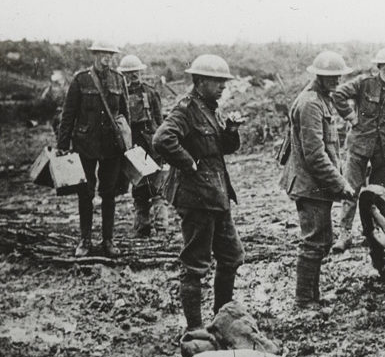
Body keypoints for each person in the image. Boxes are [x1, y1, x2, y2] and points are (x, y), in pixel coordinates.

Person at [153, 54, 245, 331]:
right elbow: (162, 139)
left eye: (224, 82)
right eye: (217, 82)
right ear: (200, 81)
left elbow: (222, 148)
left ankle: (221, 318)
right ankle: (194, 329)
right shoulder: (186, 109)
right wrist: (188, 162)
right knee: (195, 264)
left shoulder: (210, 108)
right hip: (196, 197)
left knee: (231, 256)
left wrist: (230, 130)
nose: (223, 87)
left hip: (216, 194)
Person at [279, 51, 356, 308]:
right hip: (309, 185)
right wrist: (341, 184)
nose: (336, 81)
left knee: (321, 240)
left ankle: (313, 296)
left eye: (338, 76)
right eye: (330, 77)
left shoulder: (320, 98)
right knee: (314, 241)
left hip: (314, 184)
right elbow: (315, 155)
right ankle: (304, 299)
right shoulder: (311, 103)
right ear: (318, 76)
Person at [330, 47, 385, 252]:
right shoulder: (364, 83)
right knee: (351, 189)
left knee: (378, 192)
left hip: (383, 147)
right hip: (359, 144)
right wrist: (350, 116)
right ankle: (345, 233)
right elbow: (338, 94)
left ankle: (373, 231)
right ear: (381, 66)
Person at [56, 41, 129, 258]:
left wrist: (128, 143)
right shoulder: (81, 80)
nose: (107, 57)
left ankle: (108, 240)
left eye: (111, 53)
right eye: (103, 53)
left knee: (109, 193)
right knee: (85, 193)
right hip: (85, 145)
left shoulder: (119, 79)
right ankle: (85, 240)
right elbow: (68, 115)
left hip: (112, 147)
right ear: (95, 55)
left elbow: (125, 115)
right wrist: (62, 146)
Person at [118, 54, 168, 237]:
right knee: (139, 189)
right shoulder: (119, 97)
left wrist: (161, 145)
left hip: (151, 146)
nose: (133, 77)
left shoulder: (151, 92)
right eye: (129, 74)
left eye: (136, 73)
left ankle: (161, 228)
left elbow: (160, 122)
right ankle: (142, 227)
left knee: (157, 188)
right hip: (132, 148)